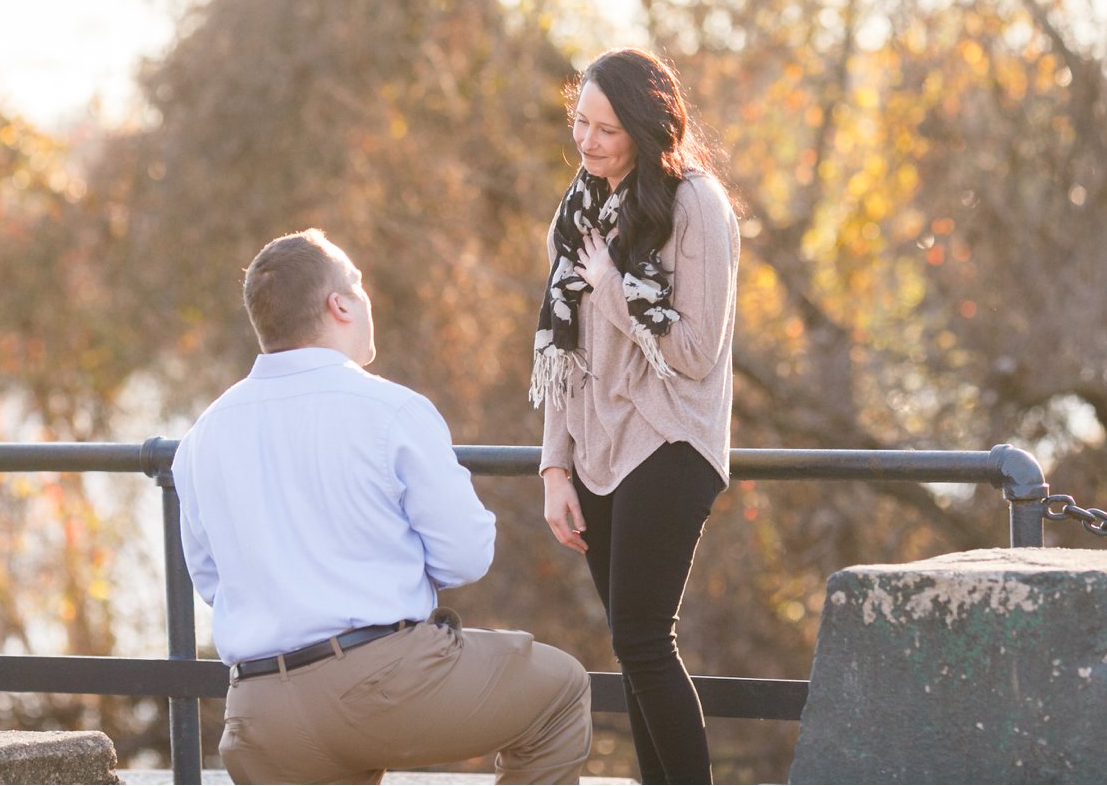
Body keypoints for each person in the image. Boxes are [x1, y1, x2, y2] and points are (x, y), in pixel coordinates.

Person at [174, 229, 592, 785]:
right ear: (339, 304)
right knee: (561, 689)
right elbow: (466, 555)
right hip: (385, 687)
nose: (366, 297)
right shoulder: (391, 409)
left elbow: (211, 581)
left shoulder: (202, 436)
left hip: (257, 712)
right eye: (359, 283)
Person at [531, 49, 739, 784]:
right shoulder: (582, 206)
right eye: (580, 122)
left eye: (606, 130)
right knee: (631, 645)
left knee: (647, 640)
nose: (587, 142)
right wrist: (555, 467)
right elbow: (565, 350)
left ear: (649, 130)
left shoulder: (697, 207)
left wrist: (615, 289)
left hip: (671, 437)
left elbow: (692, 350)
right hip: (595, 450)